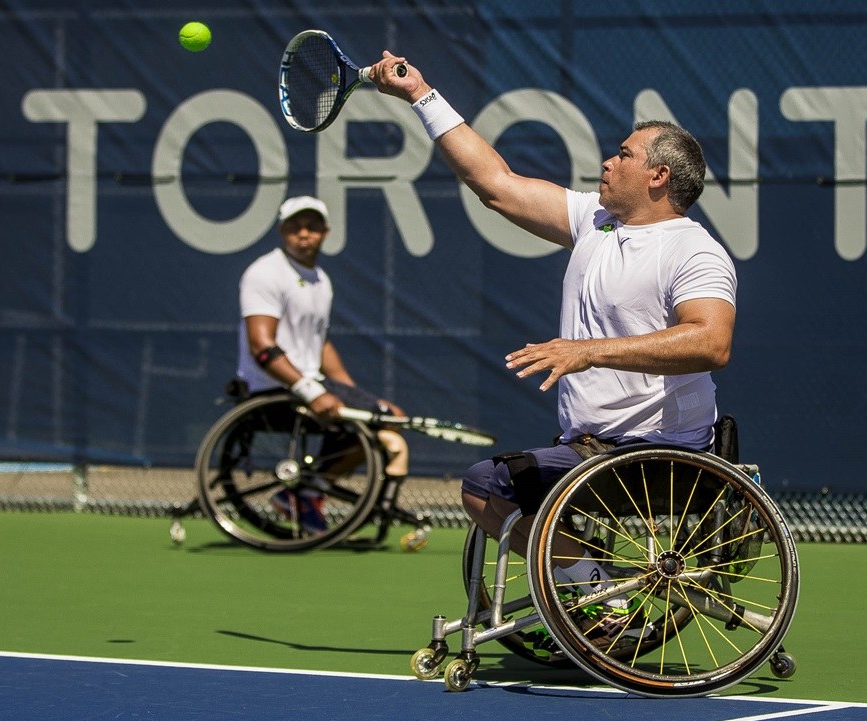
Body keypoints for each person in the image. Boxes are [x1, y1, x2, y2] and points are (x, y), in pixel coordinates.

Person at [368, 54, 736, 632]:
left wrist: (587, 351)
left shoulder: (694, 251)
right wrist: (420, 95)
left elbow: (711, 343)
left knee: (483, 486)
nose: (608, 161)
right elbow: (495, 184)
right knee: (494, 487)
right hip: (593, 449)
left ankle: (602, 594)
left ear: (659, 176)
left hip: (657, 457)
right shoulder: (596, 220)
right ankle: (596, 583)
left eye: (623, 154)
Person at [236, 195, 411, 536]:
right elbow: (262, 346)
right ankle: (306, 493)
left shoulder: (320, 279)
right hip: (274, 389)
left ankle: (304, 494)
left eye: (312, 227)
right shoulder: (264, 273)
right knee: (382, 423)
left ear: (325, 232)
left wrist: (351, 393)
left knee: (389, 417)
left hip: (310, 383)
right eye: (295, 227)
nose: (304, 234)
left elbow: (319, 343)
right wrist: (310, 391)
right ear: (281, 231)